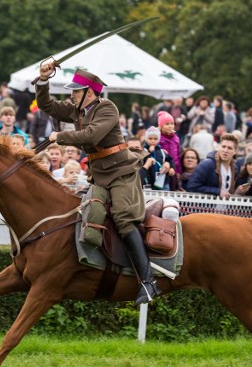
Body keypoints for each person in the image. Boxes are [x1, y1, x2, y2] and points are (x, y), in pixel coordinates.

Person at [36, 64, 159, 306]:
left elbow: (91, 136)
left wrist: (59, 137)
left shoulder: (107, 108)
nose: (71, 95)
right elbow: (47, 105)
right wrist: (42, 80)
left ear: (89, 92)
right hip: (100, 175)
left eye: (76, 91)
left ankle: (148, 280)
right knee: (84, 212)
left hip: (121, 173)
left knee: (124, 219)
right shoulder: (77, 110)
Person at [186, 133, 238, 198]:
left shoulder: (234, 168)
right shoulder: (207, 164)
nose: (225, 150)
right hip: (206, 207)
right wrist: (218, 191)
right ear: (219, 147)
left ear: (235, 151)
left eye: (229, 148)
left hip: (226, 207)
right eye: (223, 146)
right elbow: (192, 186)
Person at [142, 126, 175, 190]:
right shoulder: (144, 151)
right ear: (146, 139)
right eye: (150, 138)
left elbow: (170, 159)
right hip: (149, 181)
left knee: (164, 198)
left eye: (155, 139)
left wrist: (172, 168)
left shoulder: (162, 151)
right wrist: (149, 152)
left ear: (158, 140)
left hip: (162, 181)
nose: (153, 141)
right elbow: (143, 161)